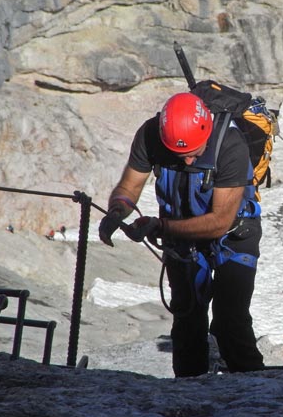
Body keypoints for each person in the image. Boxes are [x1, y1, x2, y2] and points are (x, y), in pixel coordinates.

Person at [99, 92, 265, 377]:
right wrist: (117, 210)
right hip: (182, 240)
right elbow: (129, 187)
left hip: (234, 236)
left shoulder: (229, 145)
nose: (188, 161)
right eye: (180, 155)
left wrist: (161, 227)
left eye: (194, 153)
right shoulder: (150, 135)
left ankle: (255, 394)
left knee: (230, 321)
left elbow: (219, 222)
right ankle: (190, 395)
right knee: (187, 320)